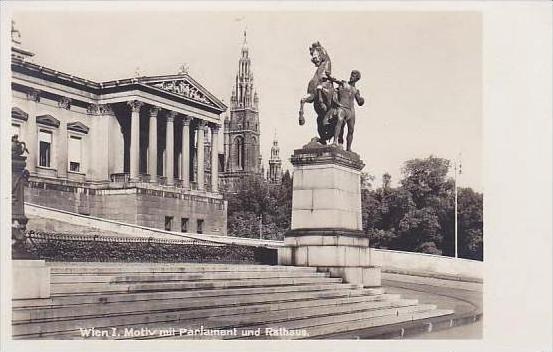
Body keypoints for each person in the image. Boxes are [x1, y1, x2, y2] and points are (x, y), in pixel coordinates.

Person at [324, 70, 365, 151]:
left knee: (351, 129)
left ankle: (348, 148)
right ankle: (335, 141)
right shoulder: (344, 83)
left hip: (351, 110)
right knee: (339, 121)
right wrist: (329, 76)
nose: (351, 77)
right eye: (351, 75)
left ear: (357, 79)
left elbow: (359, 102)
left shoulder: (356, 90)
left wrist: (361, 100)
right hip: (342, 107)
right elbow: (335, 80)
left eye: (353, 76)